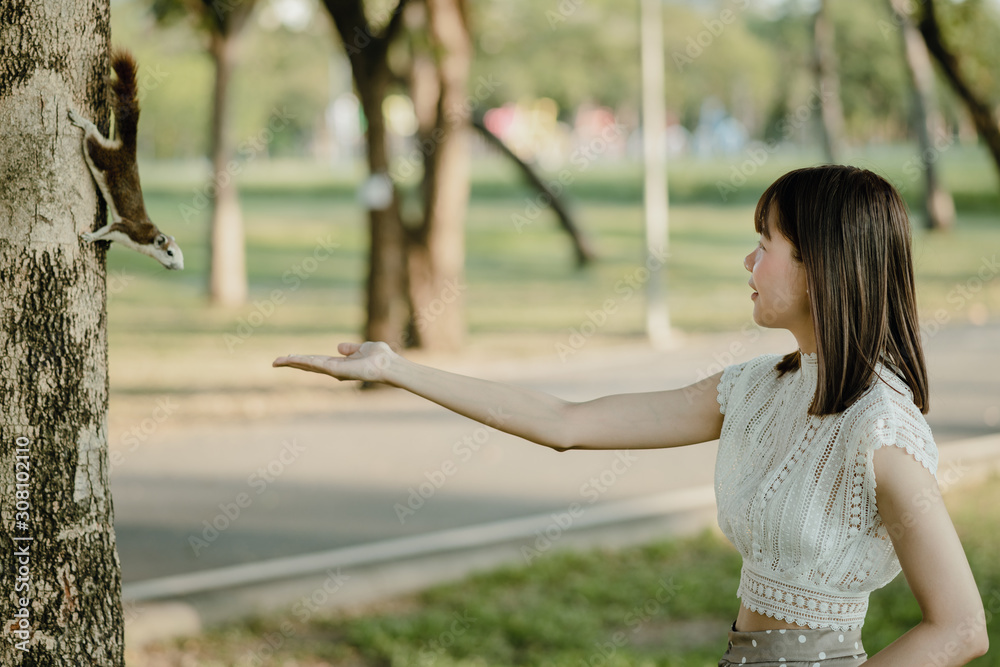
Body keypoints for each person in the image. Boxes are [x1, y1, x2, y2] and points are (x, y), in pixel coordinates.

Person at [273, 165, 988, 666]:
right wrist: (395, 368)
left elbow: (960, 626)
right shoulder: (757, 386)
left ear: (820, 266)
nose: (747, 259)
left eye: (765, 244)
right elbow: (566, 421)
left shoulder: (881, 432)